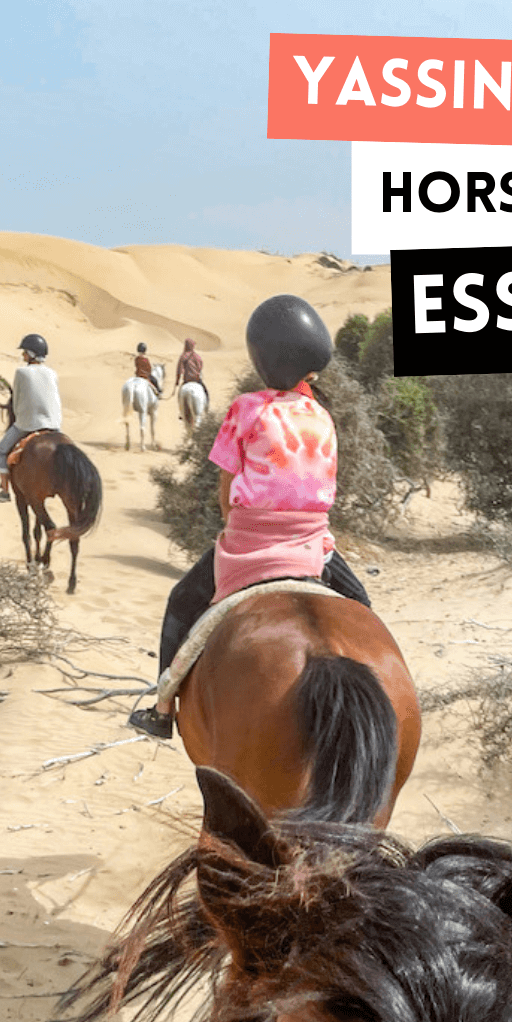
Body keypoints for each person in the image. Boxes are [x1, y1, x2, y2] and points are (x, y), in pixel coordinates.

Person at [129, 296, 370, 741]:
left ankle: (162, 709)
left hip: (251, 541)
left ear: (261, 359)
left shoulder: (245, 408)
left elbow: (226, 486)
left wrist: (233, 523)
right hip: (313, 546)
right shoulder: (322, 415)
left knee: (182, 602)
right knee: (361, 607)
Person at [0, 334, 61, 501]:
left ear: (31, 354)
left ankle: (4, 490)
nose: (23, 355)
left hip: (28, 424)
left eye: (24, 352)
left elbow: (16, 402)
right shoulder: (53, 373)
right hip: (54, 425)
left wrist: (18, 418)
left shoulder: (21, 372)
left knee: (0, 450)